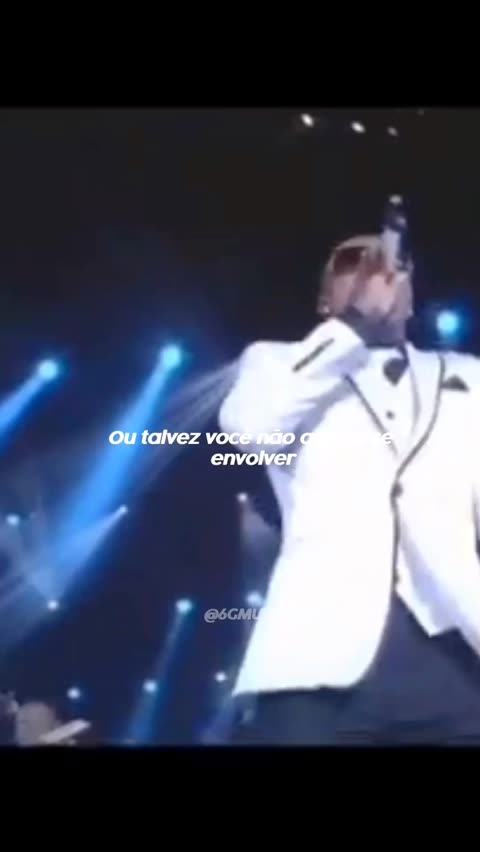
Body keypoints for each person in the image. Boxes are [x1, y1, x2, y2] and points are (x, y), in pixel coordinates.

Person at [219, 233, 480, 744]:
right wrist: (354, 328)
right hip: (315, 663)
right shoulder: (276, 364)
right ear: (324, 301)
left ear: (411, 292)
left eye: (393, 264)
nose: (377, 271)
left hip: (455, 658)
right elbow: (248, 428)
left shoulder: (468, 376)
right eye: (353, 261)